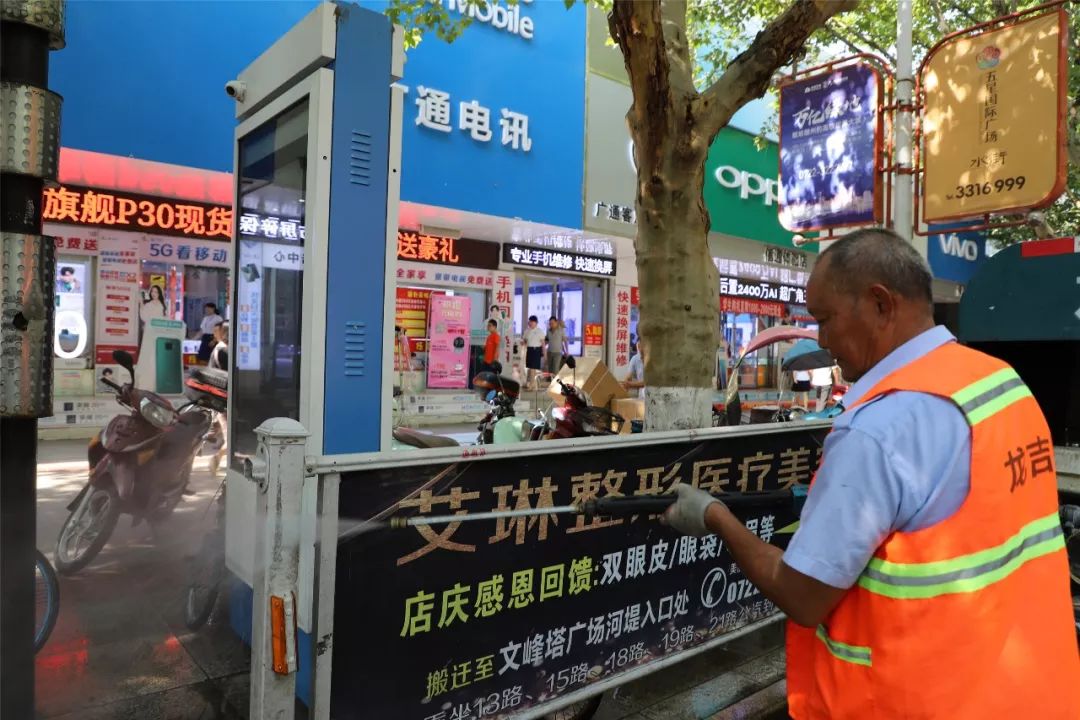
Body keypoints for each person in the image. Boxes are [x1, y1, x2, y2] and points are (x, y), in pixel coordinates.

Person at [661, 228, 1079, 719]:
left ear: (881, 304)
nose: (821, 340)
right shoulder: (1001, 382)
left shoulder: (876, 431)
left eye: (825, 320)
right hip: (1030, 695)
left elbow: (802, 595)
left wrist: (714, 516)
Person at [521, 315, 545, 387]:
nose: (530, 323)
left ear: (536, 323)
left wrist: (544, 353)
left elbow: (543, 343)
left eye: (532, 322)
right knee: (530, 368)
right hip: (529, 350)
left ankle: (532, 385)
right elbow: (525, 341)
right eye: (529, 321)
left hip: (536, 350)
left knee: (533, 369)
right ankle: (533, 385)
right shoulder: (527, 331)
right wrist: (522, 343)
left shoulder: (539, 331)